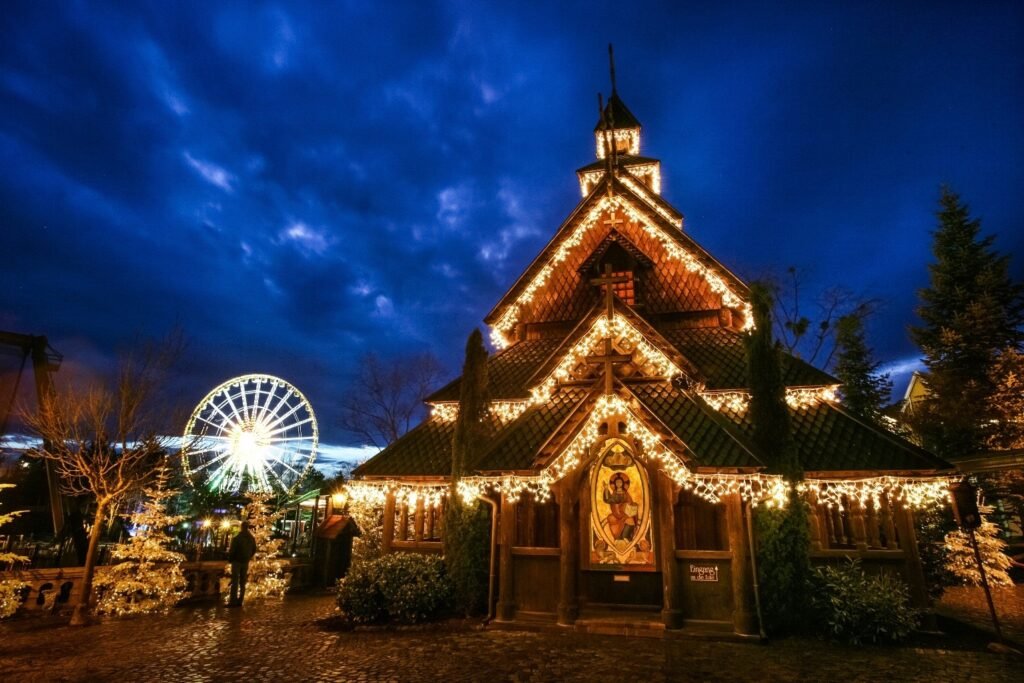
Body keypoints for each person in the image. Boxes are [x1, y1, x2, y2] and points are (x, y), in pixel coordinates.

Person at [227, 521, 257, 606]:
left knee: (235, 582)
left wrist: (230, 559)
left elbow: (232, 551)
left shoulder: (237, 538)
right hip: (245, 562)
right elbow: (254, 549)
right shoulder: (251, 538)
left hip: (236, 561)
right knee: (243, 582)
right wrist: (248, 557)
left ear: (241, 527)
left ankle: (233, 601)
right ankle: (240, 601)